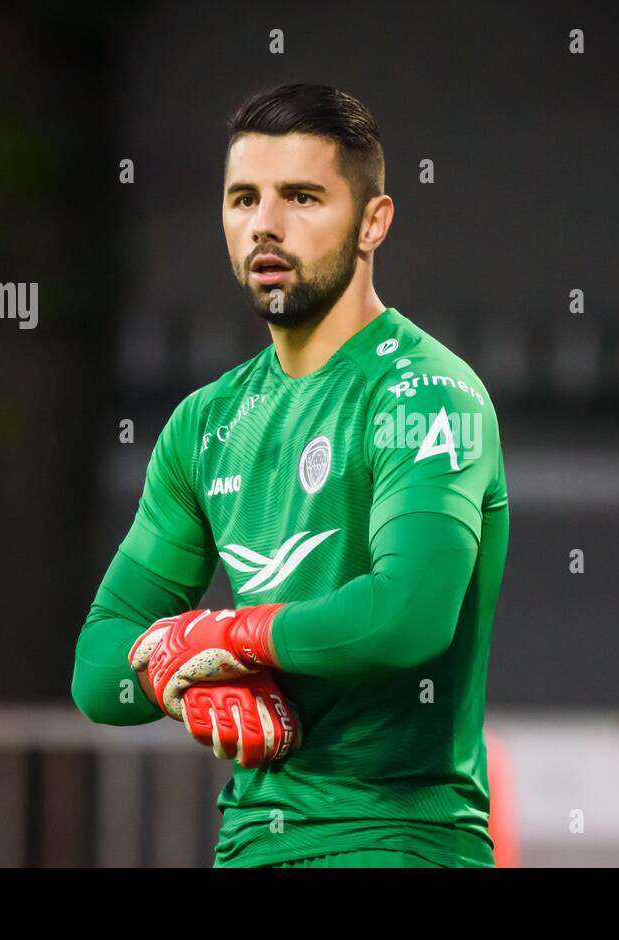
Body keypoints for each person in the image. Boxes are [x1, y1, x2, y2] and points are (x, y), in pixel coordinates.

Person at [72, 82, 509, 868]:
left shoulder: (428, 393)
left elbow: (405, 614)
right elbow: (101, 669)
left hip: (398, 843)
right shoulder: (205, 424)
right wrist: (191, 683)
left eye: (301, 197)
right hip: (248, 846)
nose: (265, 225)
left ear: (373, 222)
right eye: (244, 199)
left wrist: (220, 637)